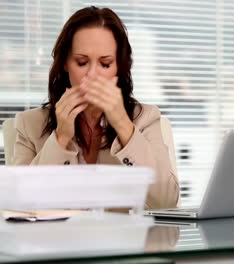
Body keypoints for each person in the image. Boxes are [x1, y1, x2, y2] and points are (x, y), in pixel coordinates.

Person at [12, 6, 179, 210]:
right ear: (65, 63)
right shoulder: (30, 125)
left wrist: (124, 126)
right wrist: (61, 137)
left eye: (105, 64)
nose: (93, 75)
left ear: (119, 66)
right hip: (57, 240)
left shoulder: (145, 118)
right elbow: (18, 206)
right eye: (82, 62)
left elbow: (166, 202)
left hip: (123, 240)